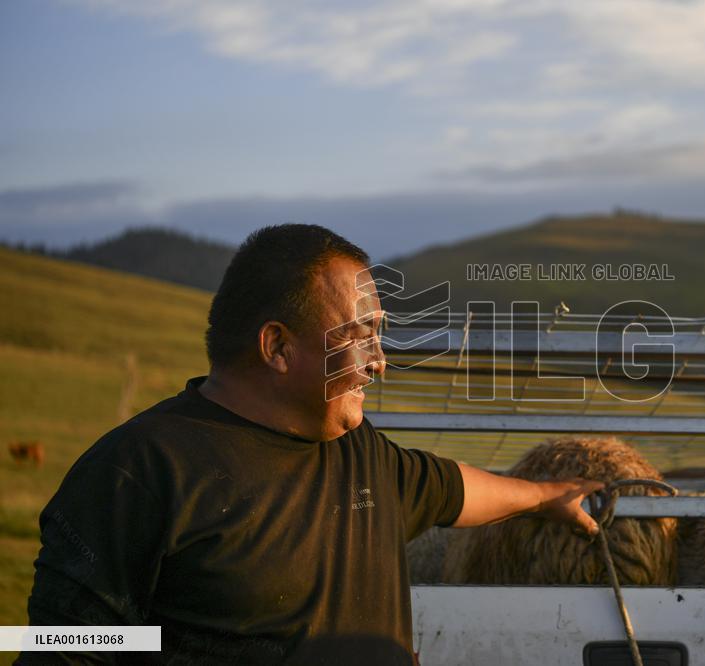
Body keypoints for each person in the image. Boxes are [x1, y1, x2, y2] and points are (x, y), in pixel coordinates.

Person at [21, 224, 603, 665]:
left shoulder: (359, 454)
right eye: (362, 335)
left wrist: (546, 494)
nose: (379, 361)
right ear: (277, 347)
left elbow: (450, 489)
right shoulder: (141, 471)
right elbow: (68, 644)